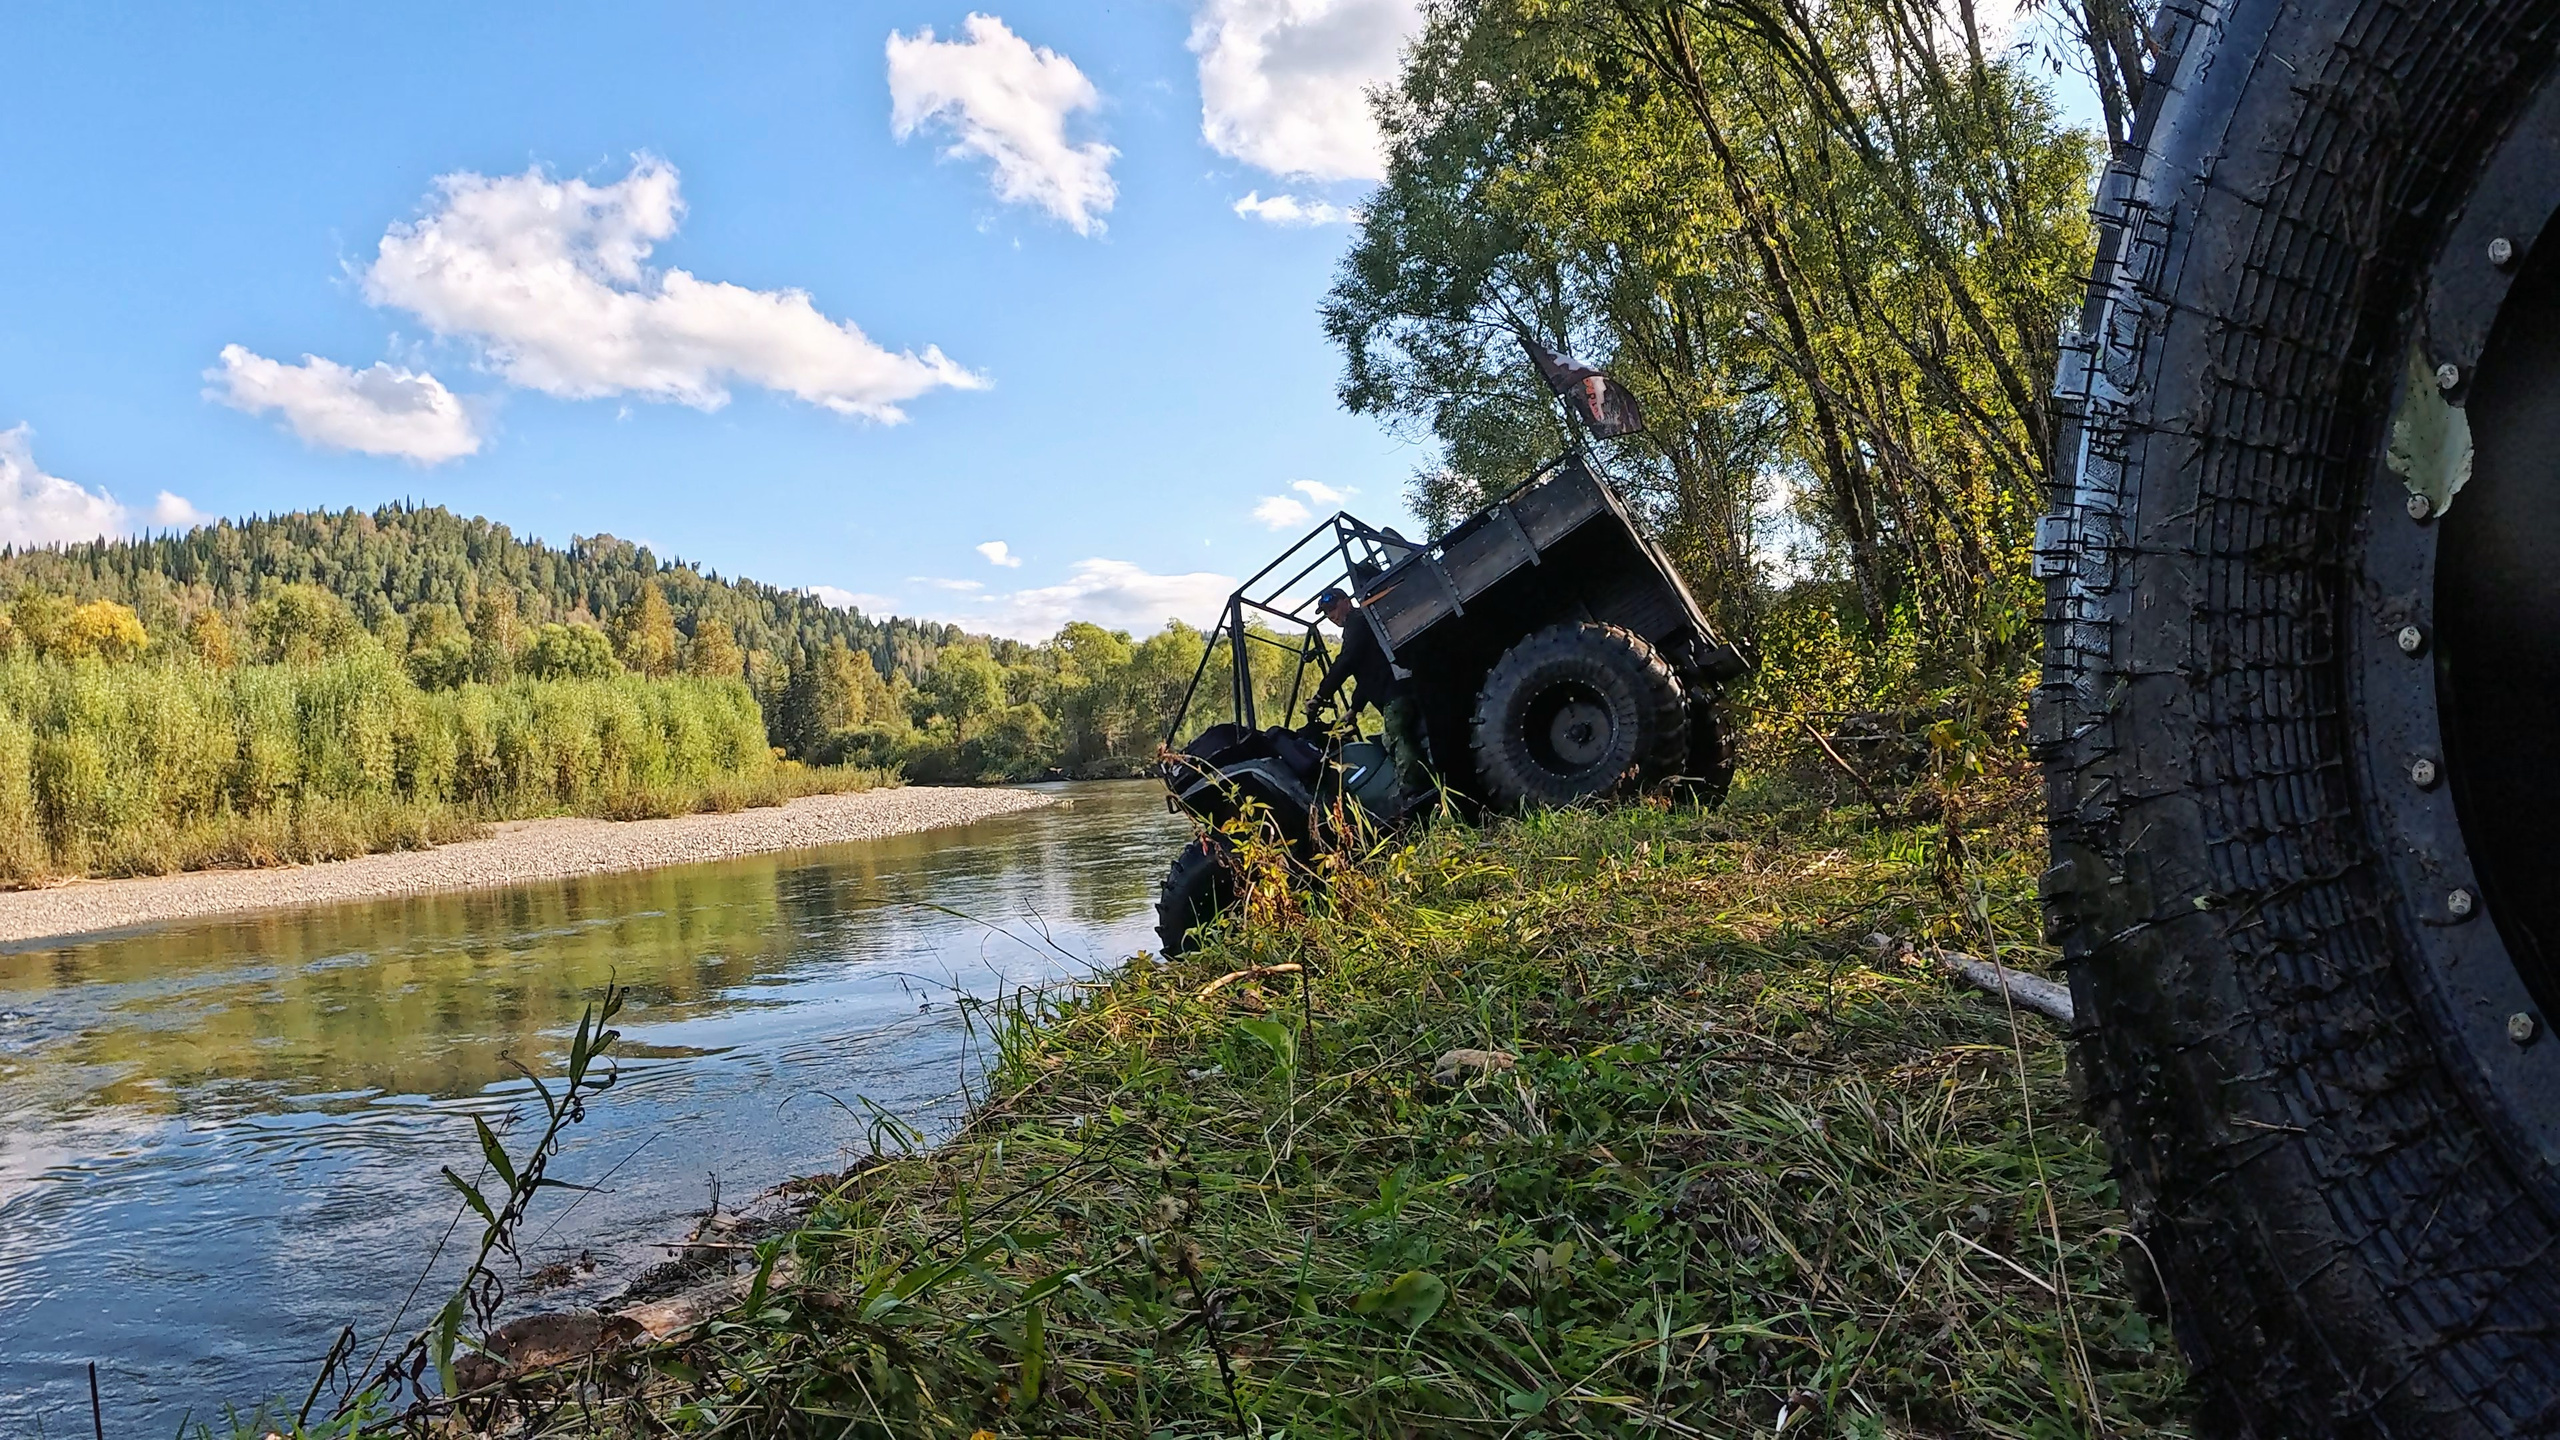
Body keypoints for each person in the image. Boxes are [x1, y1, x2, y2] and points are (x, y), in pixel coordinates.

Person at [1306, 586, 1432, 801]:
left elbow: (1346, 662)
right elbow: (1366, 675)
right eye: (1327, 613)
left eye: (1333, 608)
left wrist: (1320, 696)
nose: (1331, 616)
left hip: (1396, 690)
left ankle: (1414, 793)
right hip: (1392, 689)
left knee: (1395, 734)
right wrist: (1355, 709)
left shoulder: (1358, 621)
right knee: (1393, 736)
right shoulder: (1359, 626)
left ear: (1346, 602)